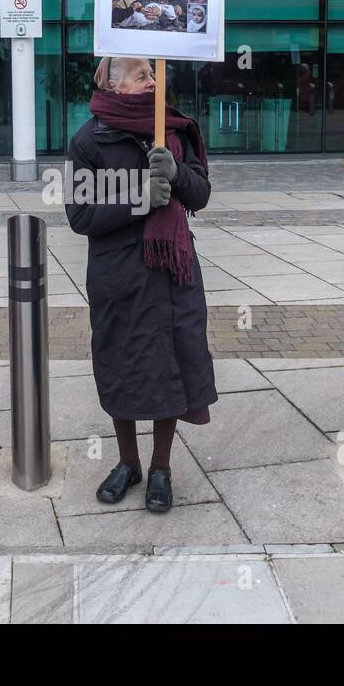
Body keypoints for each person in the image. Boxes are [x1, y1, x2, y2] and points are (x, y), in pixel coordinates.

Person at [66, 56, 217, 513]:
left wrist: (176, 172)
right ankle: (128, 462)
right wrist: (139, 198)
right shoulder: (90, 140)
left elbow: (201, 195)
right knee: (122, 364)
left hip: (174, 273)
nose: (153, 81)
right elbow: (81, 216)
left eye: (154, 74)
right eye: (141, 75)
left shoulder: (174, 130)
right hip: (119, 275)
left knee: (172, 364)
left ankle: (161, 468)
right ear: (113, 84)